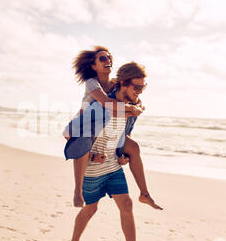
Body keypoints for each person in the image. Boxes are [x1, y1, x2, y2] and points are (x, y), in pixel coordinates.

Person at [66, 62, 159, 241]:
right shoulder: (100, 109)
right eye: (137, 87)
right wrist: (90, 156)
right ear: (123, 84)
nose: (140, 92)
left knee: (127, 205)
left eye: (143, 88)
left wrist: (122, 154)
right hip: (92, 169)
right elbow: (72, 137)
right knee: (90, 209)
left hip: (112, 166)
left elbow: (123, 136)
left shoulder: (130, 109)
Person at [64, 46, 161, 210]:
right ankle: (77, 190)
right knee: (82, 144)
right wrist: (132, 109)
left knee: (134, 147)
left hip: (103, 125)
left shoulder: (115, 83)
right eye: (102, 58)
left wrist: (137, 107)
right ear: (94, 66)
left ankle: (144, 194)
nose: (108, 60)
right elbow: (107, 104)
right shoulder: (91, 82)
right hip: (84, 124)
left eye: (109, 57)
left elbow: (132, 99)